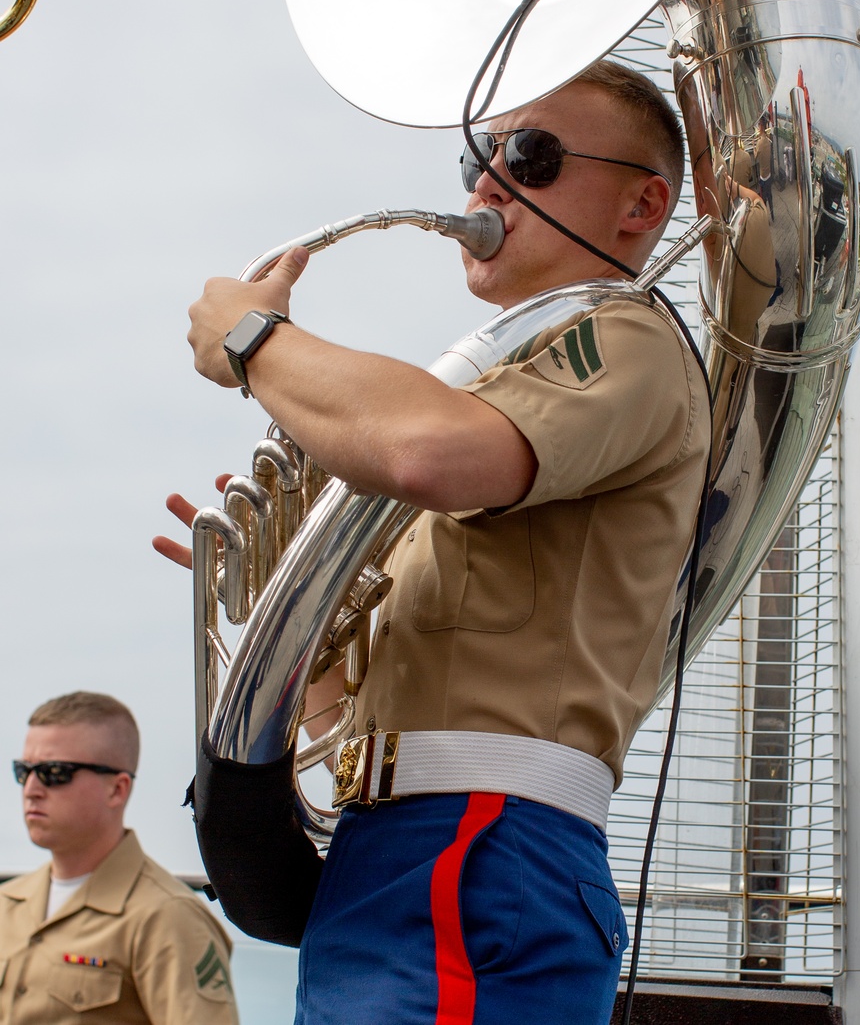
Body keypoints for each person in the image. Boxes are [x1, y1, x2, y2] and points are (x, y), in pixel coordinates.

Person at [167, 60, 711, 1025]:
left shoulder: (627, 337)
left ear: (641, 205)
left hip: (481, 845)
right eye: (479, 157)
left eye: (531, 157)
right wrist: (278, 608)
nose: (486, 185)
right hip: (396, 852)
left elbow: (424, 450)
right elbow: (343, 716)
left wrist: (255, 341)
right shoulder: (506, 392)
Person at [0, 692, 238, 1024]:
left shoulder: (167, 919)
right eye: (23, 771)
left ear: (117, 789)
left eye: (55, 772)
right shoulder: (7, 907)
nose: (31, 789)